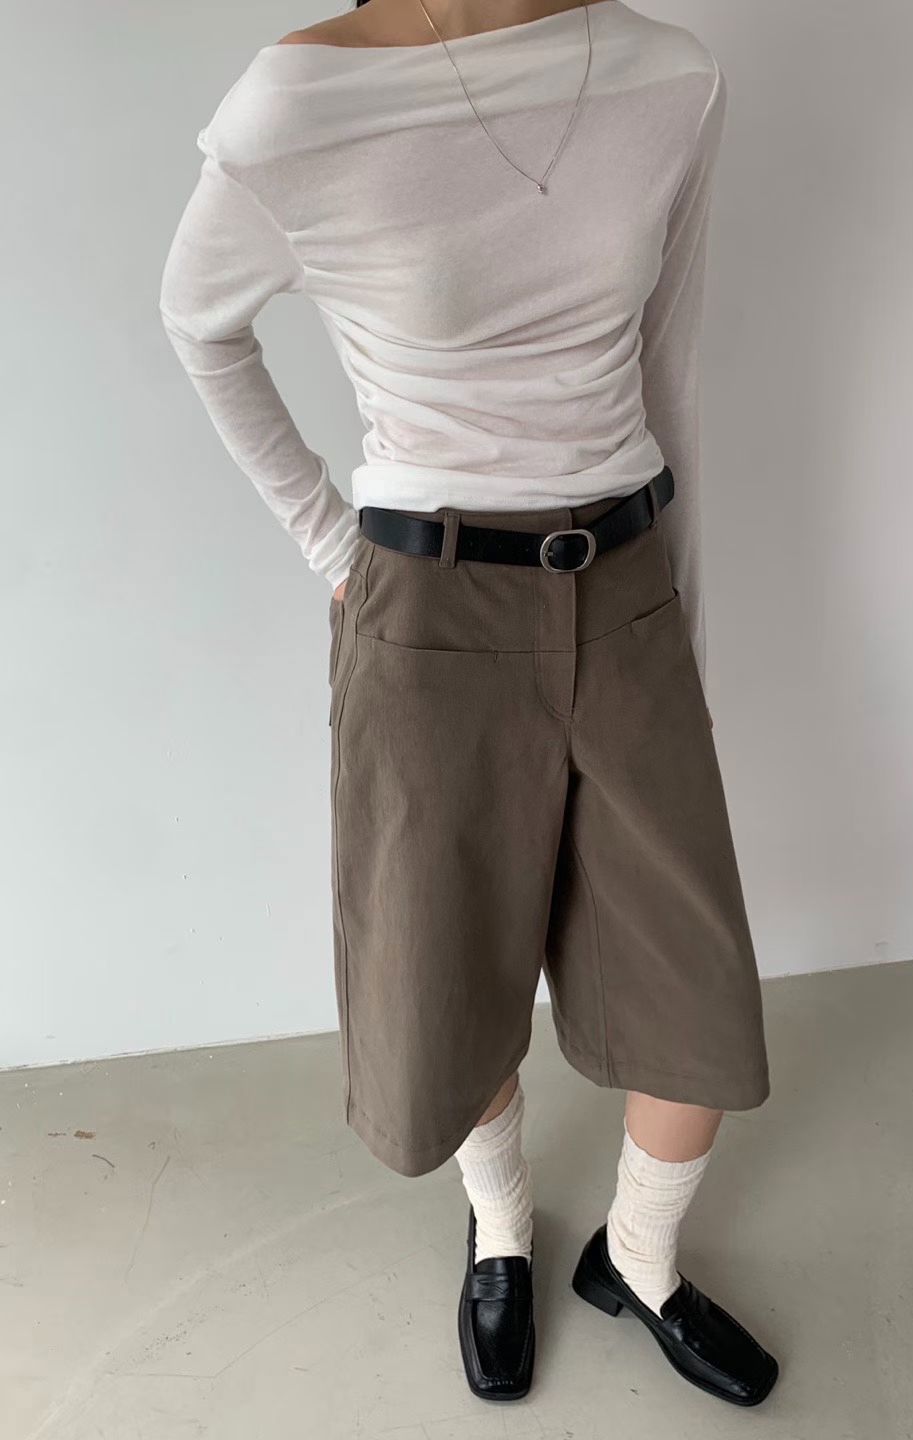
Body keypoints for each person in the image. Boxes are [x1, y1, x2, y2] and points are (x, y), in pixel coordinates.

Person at [158, 0, 777, 1406]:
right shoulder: (296, 108)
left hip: (624, 586)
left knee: (694, 986)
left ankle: (638, 1258)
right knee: (443, 970)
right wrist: (331, 543)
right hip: (426, 612)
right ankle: (501, 1227)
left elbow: (664, 371)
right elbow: (199, 325)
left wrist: (678, 622)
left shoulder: (667, 75)